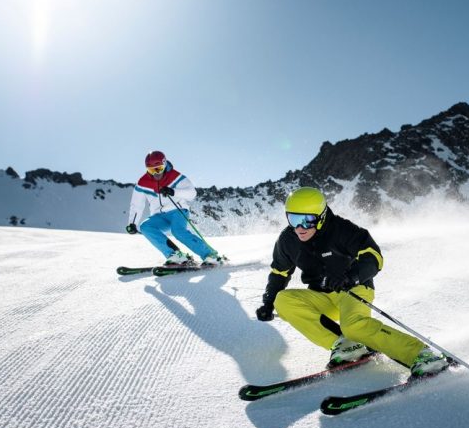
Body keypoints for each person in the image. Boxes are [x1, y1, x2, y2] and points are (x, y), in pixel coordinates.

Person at [254, 186, 448, 377]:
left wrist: (351, 276)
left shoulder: (341, 229)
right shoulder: (288, 240)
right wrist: (268, 303)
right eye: (293, 219)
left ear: (321, 217)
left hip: (353, 289)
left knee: (353, 325)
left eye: (307, 221)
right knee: (283, 300)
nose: (299, 228)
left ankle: (422, 354)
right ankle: (347, 346)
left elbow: (374, 256)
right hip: (322, 295)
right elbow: (279, 272)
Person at [125, 150, 222, 266]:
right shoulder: (143, 182)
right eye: (151, 170)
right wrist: (132, 223)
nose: (156, 173)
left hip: (178, 211)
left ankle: (210, 255)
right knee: (146, 227)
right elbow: (137, 204)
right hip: (159, 215)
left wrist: (173, 191)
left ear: (164, 164)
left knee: (178, 232)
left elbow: (192, 193)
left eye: (159, 169)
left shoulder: (175, 176)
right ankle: (175, 255)